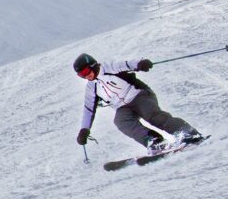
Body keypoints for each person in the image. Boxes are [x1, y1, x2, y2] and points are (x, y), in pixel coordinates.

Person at [73, 52, 203, 153]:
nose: (85, 76)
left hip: (139, 95)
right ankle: (154, 141)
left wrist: (140, 64)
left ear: (92, 66)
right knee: (121, 121)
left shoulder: (109, 68)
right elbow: (88, 109)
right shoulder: (91, 87)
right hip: (122, 107)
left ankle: (188, 133)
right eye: (81, 75)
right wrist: (84, 130)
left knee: (152, 116)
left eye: (85, 72)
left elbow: (126, 64)